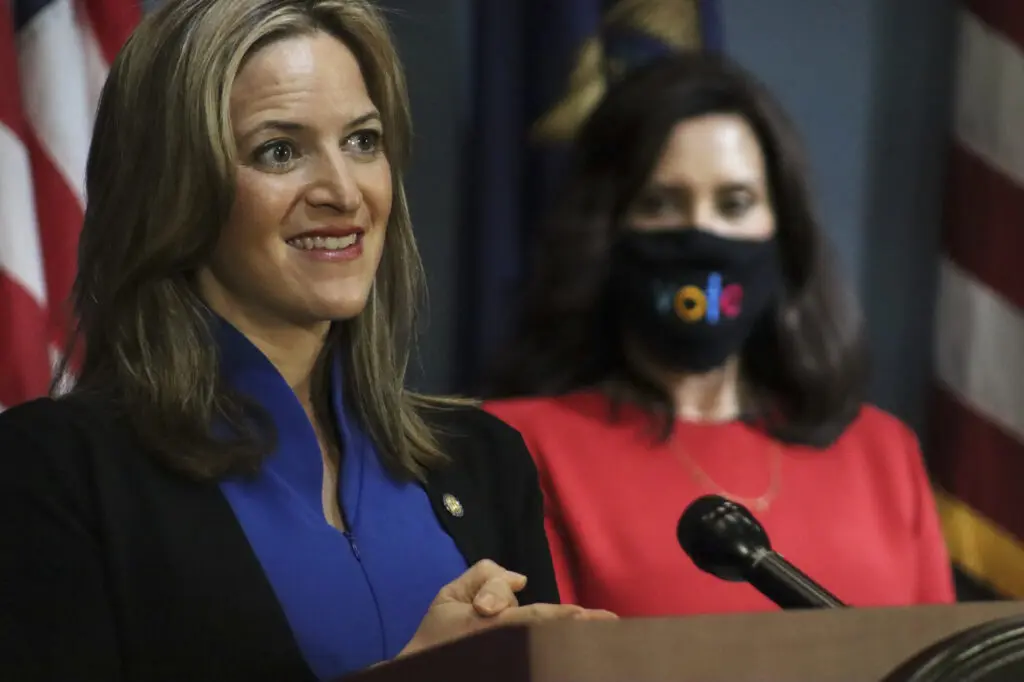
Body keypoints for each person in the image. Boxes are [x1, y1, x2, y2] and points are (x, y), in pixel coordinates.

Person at [0, 1, 613, 680]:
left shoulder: (483, 461)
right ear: (174, 187)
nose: (343, 191)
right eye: (280, 151)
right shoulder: (53, 473)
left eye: (362, 141)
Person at [483, 51, 956, 617]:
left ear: (782, 228)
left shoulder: (882, 453)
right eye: (661, 203)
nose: (701, 232)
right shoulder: (518, 446)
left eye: (734, 204)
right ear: (606, 228)